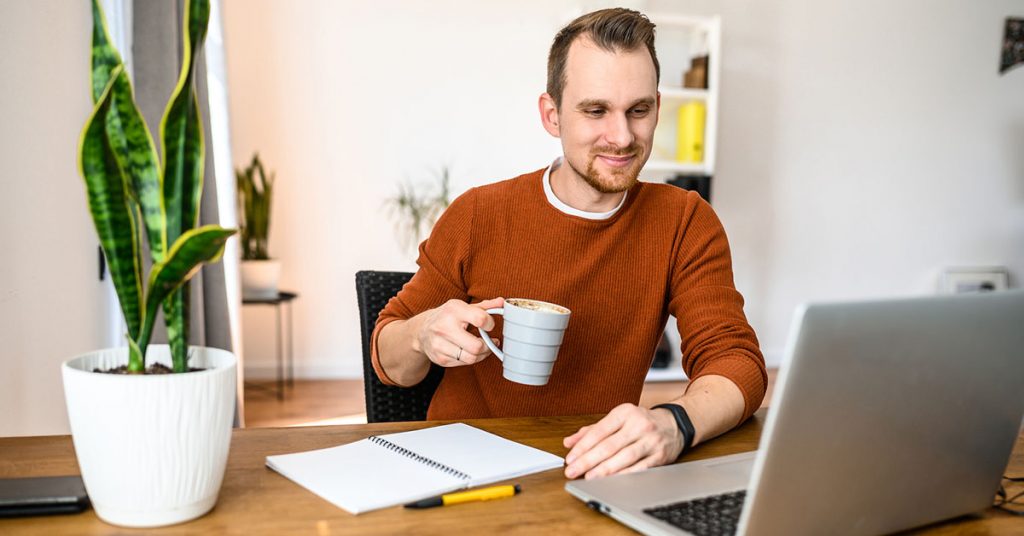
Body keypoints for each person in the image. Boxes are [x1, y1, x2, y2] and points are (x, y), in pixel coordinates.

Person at [372, 8, 765, 481]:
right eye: (596, 111)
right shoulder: (478, 214)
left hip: (593, 467)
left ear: (658, 107)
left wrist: (674, 422)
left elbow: (736, 361)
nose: (621, 137)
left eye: (638, 110)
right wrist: (421, 332)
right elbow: (390, 363)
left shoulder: (684, 221)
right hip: (460, 470)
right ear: (552, 115)